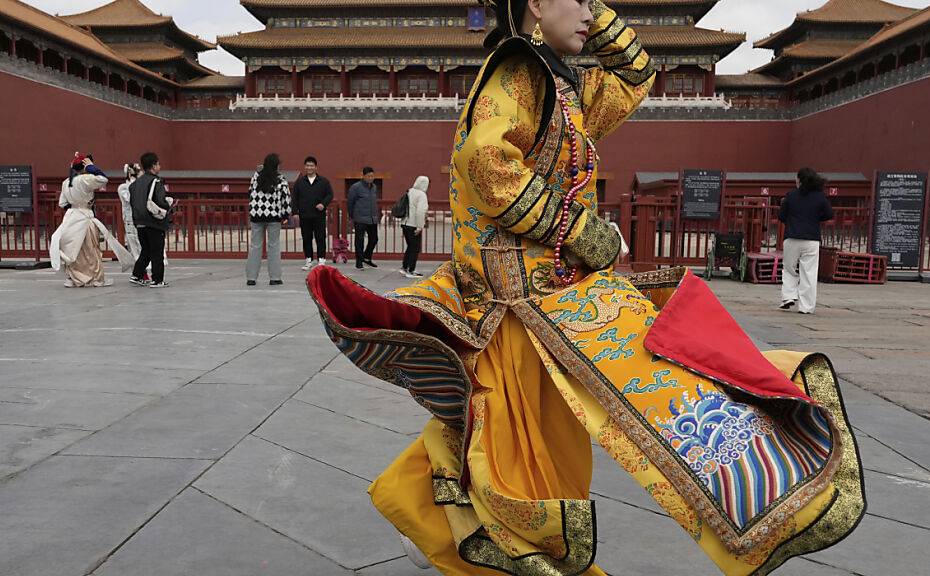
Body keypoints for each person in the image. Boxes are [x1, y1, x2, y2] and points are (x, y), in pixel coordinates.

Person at [306, 1, 864, 574]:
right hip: (522, 306)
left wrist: (593, 14)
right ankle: (456, 532)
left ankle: (428, 520)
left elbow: (636, 75)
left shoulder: (561, 83)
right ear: (536, 3)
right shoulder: (518, 72)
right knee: (532, 442)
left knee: (514, 425)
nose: (590, 13)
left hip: (560, 300)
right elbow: (486, 162)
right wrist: (575, 227)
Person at [50, 152, 134, 287]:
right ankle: (96, 278)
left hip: (71, 217)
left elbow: (62, 203)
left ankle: (73, 277)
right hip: (85, 216)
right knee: (91, 249)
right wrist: (91, 167)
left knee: (74, 249)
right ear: (83, 167)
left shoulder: (66, 182)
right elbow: (103, 179)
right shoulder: (85, 179)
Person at [778, 167, 835, 314]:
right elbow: (829, 214)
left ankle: (788, 296)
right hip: (812, 239)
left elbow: (781, 216)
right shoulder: (820, 196)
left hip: (792, 237)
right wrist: (815, 219)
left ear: (800, 180)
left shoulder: (791, 195)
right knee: (809, 272)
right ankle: (806, 307)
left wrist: (791, 221)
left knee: (789, 269)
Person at [247, 154, 292, 286]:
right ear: (277, 165)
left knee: (255, 246)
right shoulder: (281, 179)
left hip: (256, 215)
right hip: (273, 216)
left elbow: (250, 193)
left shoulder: (256, 177)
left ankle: (251, 277)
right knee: (274, 246)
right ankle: (275, 277)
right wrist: (285, 215)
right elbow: (286, 198)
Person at [129, 152, 172, 288]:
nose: (159, 166)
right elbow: (160, 201)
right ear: (153, 166)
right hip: (153, 221)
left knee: (146, 250)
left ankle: (137, 274)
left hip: (139, 221)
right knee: (156, 251)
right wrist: (168, 204)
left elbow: (132, 202)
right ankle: (157, 279)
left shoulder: (135, 184)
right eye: (158, 164)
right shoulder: (156, 181)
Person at [292, 156, 334, 270]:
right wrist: (295, 212)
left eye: (311, 165)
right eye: (307, 165)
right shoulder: (300, 182)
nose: (309, 167)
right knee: (306, 238)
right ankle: (308, 260)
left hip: (318, 215)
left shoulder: (323, 181)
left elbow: (330, 195)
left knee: (320, 237)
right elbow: (294, 197)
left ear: (316, 167)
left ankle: (321, 260)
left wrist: (323, 204)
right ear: (305, 167)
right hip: (305, 215)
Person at [347, 166, 379, 270]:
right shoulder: (356, 187)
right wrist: (352, 215)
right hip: (360, 218)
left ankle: (367, 257)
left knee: (374, 239)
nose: (371, 178)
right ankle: (359, 261)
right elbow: (350, 202)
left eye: (372, 176)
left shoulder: (374, 187)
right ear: (363, 176)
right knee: (359, 241)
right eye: (368, 176)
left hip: (372, 218)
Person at [400, 175, 429, 278]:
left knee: (410, 246)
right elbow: (420, 212)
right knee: (415, 248)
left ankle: (404, 267)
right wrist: (420, 226)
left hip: (405, 223)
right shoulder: (421, 195)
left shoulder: (410, 191)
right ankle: (411, 270)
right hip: (413, 224)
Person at [117, 163, 143, 261]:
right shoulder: (123, 187)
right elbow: (129, 198)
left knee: (141, 240)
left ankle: (142, 261)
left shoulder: (140, 186)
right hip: (130, 218)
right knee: (133, 239)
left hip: (140, 217)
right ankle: (137, 261)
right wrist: (133, 181)